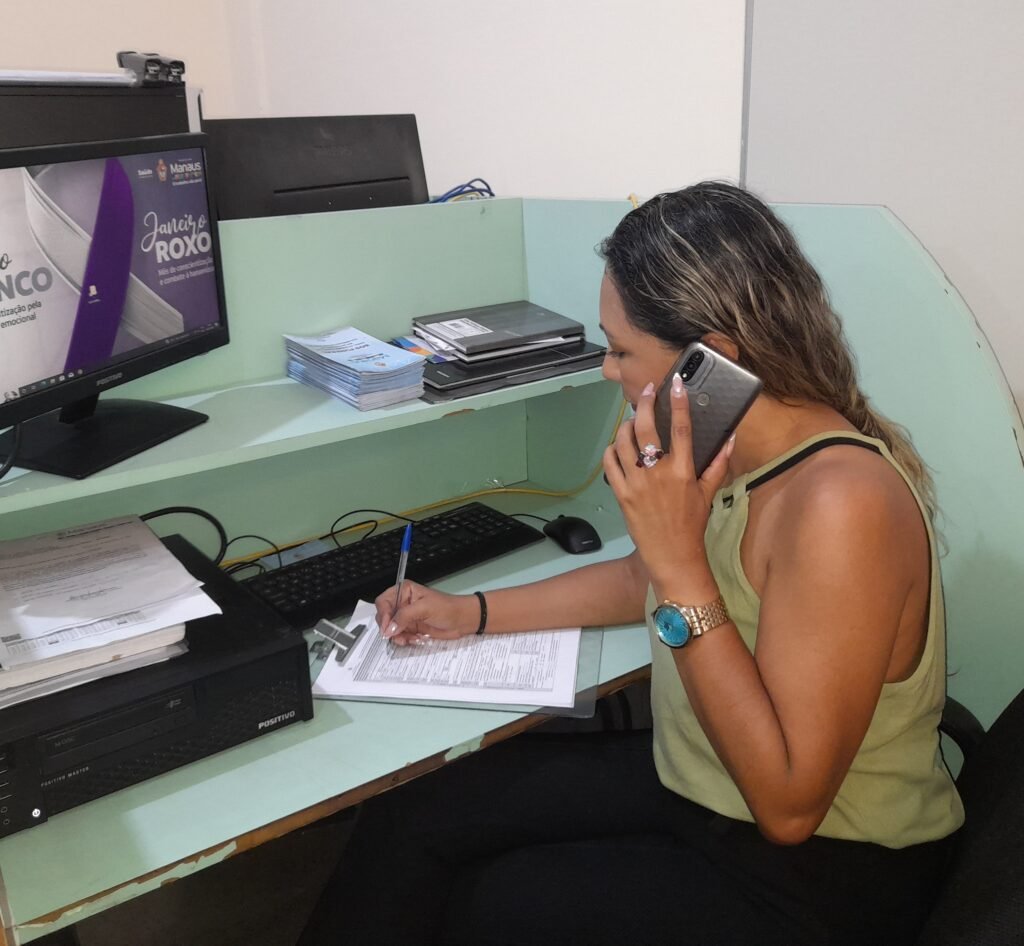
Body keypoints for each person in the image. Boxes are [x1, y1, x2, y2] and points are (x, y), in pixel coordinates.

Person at [297, 182, 964, 946]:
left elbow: (788, 806)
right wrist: (468, 612)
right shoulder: (727, 452)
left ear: (712, 361)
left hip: (821, 867)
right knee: (420, 811)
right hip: (704, 777)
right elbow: (638, 581)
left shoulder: (842, 505)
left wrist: (680, 567)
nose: (608, 371)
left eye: (621, 351)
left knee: (496, 904)